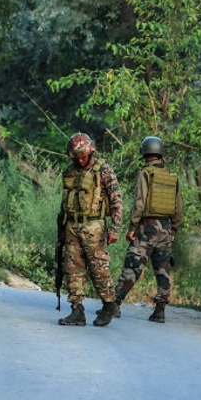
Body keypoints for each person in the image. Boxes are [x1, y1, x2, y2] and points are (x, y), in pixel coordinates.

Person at [114, 135, 184, 323]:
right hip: (166, 228)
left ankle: (114, 305)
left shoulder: (145, 173)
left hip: (147, 227)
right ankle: (160, 311)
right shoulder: (171, 176)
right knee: (162, 269)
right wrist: (174, 231)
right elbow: (179, 207)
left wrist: (132, 226)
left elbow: (139, 203)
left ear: (145, 152)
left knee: (133, 265)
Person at [57, 133, 124, 327]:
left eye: (83, 156)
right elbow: (65, 203)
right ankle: (77, 310)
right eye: (76, 156)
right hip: (72, 226)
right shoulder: (70, 171)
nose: (80, 159)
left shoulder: (103, 170)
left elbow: (117, 201)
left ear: (90, 151)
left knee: (98, 268)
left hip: (94, 225)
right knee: (72, 269)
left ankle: (109, 305)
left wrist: (115, 228)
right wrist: (62, 229)